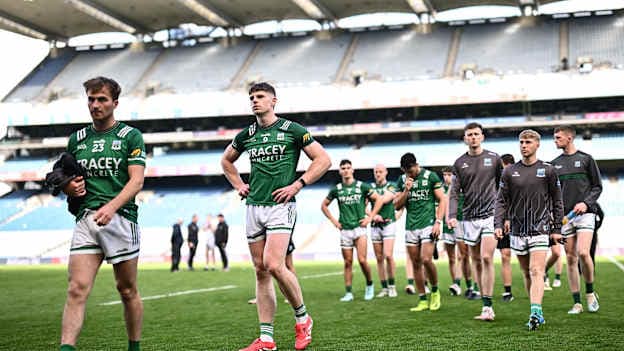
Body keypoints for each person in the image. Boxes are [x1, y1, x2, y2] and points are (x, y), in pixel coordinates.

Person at [221, 82, 331, 351]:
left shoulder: (292, 129)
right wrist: (238, 185)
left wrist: (298, 184)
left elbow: (323, 160)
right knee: (260, 272)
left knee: (273, 264)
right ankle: (267, 339)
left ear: (274, 101)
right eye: (251, 97)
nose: (255, 101)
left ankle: (303, 319)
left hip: (281, 205)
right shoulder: (246, 134)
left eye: (260, 97)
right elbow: (226, 161)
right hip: (253, 207)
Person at [59, 77, 145, 351]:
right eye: (91, 99)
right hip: (86, 220)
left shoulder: (130, 136)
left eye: (102, 99)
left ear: (115, 103)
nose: (95, 105)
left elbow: (137, 181)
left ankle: (134, 347)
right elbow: (70, 180)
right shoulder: (77, 140)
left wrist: (112, 206)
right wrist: (69, 187)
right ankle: (66, 348)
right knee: (76, 289)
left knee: (127, 289)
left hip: (121, 219)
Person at [495, 129, 563, 330]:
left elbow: (557, 200)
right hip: (517, 230)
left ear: (537, 145)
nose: (524, 145)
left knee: (536, 270)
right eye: (521, 142)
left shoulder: (548, 170)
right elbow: (501, 200)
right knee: (526, 272)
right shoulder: (509, 171)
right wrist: (498, 224)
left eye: (528, 142)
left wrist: (557, 227)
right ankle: (535, 308)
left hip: (540, 228)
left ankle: (536, 311)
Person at [448, 122, 503, 321]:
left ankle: (489, 307)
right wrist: (452, 215)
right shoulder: (459, 163)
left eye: (476, 134)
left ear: (482, 136)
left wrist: (504, 214)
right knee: (476, 262)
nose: (473, 137)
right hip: (469, 218)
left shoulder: (494, 158)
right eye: (469, 134)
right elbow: (454, 192)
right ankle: (485, 304)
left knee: (487, 258)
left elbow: (503, 187)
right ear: (465, 139)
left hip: (490, 216)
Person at [552, 125, 603, 314]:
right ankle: (577, 302)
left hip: (585, 214)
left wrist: (586, 203)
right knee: (571, 258)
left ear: (569, 138)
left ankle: (590, 293)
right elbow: (552, 195)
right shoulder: (553, 164)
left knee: (583, 252)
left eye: (558, 137)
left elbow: (597, 187)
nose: (555, 140)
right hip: (565, 218)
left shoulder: (586, 159)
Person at [321, 159, 387, 302]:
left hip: (359, 228)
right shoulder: (336, 189)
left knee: (362, 260)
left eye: (348, 167)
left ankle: (370, 285)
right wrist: (334, 221)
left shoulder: (361, 186)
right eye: (343, 168)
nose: (345, 170)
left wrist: (369, 218)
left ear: (352, 170)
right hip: (345, 229)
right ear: (339, 171)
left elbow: (379, 200)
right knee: (347, 262)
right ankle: (349, 292)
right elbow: (324, 206)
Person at [395, 153, 446, 312]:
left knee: (426, 259)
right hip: (411, 226)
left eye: (410, 170)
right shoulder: (402, 180)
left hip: (428, 224)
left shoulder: (430, 177)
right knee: (416, 263)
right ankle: (423, 299)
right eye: (406, 171)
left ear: (416, 165)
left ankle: (435, 291)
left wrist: (438, 222)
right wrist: (406, 190)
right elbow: (397, 205)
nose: (409, 174)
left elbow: (442, 199)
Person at [441, 167, 473, 298]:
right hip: (446, 225)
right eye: (445, 175)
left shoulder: (462, 185)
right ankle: (457, 284)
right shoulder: (441, 189)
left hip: (461, 222)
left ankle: (465, 284)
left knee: (463, 255)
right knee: (452, 258)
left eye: (449, 174)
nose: (447, 177)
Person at [368, 164, 399, 298]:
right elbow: (362, 206)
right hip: (375, 225)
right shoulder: (370, 187)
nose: (378, 174)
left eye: (380, 171)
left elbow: (386, 199)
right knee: (379, 258)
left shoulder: (391, 186)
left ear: (386, 172)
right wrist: (373, 215)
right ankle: (384, 287)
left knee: (388, 255)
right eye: (376, 172)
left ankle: (392, 286)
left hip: (388, 223)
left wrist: (373, 213)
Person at [498, 154, 516, 302]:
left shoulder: (518, 177)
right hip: (503, 221)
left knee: (528, 257)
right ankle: (507, 291)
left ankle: (537, 280)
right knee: (505, 254)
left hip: (521, 220)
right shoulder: (499, 180)